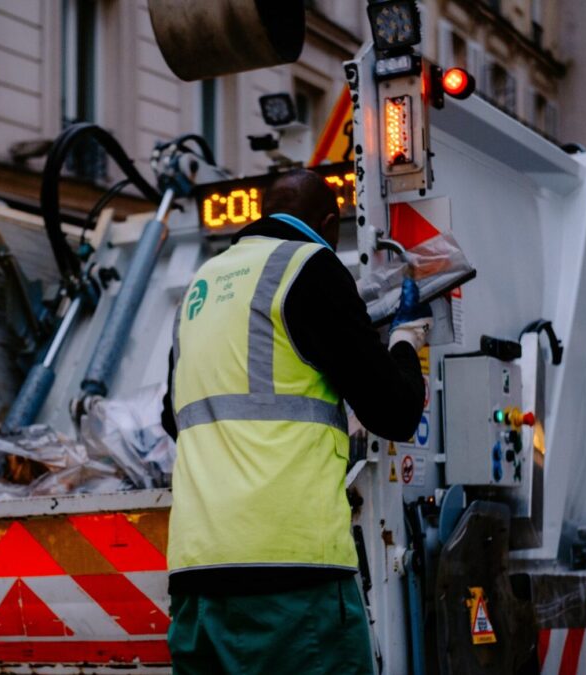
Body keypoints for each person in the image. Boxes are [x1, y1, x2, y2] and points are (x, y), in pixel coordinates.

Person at [161, 169, 430, 674]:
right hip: (292, 576)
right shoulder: (313, 267)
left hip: (197, 577)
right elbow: (395, 413)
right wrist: (404, 341)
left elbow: (174, 417)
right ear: (330, 225)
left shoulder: (198, 287)